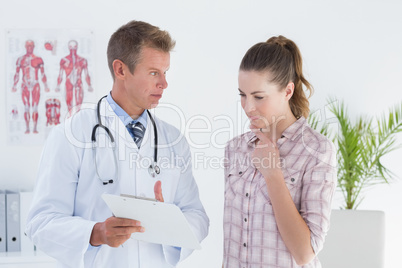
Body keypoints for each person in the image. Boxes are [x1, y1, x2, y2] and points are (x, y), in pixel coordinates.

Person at [26, 20, 209, 268]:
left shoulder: (173, 140)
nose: (164, 83)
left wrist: (169, 223)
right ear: (121, 70)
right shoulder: (72, 134)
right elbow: (41, 222)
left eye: (165, 73)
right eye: (154, 72)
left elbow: (197, 215)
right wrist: (96, 233)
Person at [223, 36, 336, 267]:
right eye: (242, 95)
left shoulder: (316, 151)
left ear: (287, 91)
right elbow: (232, 243)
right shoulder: (235, 149)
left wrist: (273, 174)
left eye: (258, 97)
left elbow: (305, 253)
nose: (247, 107)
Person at [12, 40, 50, 134]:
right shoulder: (20, 59)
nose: (29, 48)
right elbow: (17, 74)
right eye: (28, 46)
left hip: (35, 85)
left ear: (34, 47)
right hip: (24, 85)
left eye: (31, 46)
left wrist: (45, 86)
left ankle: (35, 128)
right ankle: (27, 128)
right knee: (26, 107)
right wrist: (14, 85)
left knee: (35, 107)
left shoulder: (38, 59)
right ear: (25, 46)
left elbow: (42, 74)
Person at [55, 40, 94, 113]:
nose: (73, 49)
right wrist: (58, 85)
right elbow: (60, 74)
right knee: (69, 105)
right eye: (71, 47)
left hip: (78, 83)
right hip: (68, 83)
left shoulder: (82, 60)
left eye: (74, 47)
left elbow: (86, 74)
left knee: (78, 106)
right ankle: (70, 121)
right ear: (68, 47)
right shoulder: (64, 60)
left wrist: (89, 85)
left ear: (77, 47)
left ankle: (77, 120)